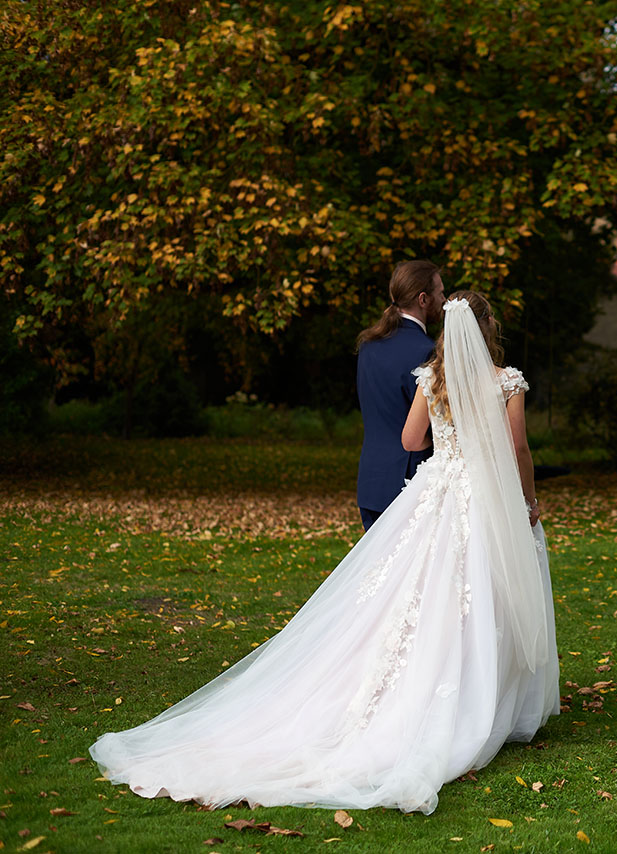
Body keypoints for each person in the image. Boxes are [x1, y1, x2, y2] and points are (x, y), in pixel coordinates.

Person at [90, 291, 558, 815]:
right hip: (485, 496)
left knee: (419, 596)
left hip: (437, 494)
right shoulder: (506, 381)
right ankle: (479, 701)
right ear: (488, 327)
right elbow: (517, 448)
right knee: (482, 595)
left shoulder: (433, 378)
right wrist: (529, 499)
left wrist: (449, 445)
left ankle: (423, 690)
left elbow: (409, 439)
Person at [356, 259, 445, 530]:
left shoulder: (368, 346)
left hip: (371, 482)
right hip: (409, 484)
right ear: (423, 299)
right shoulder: (427, 353)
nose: (444, 300)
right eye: (440, 293)